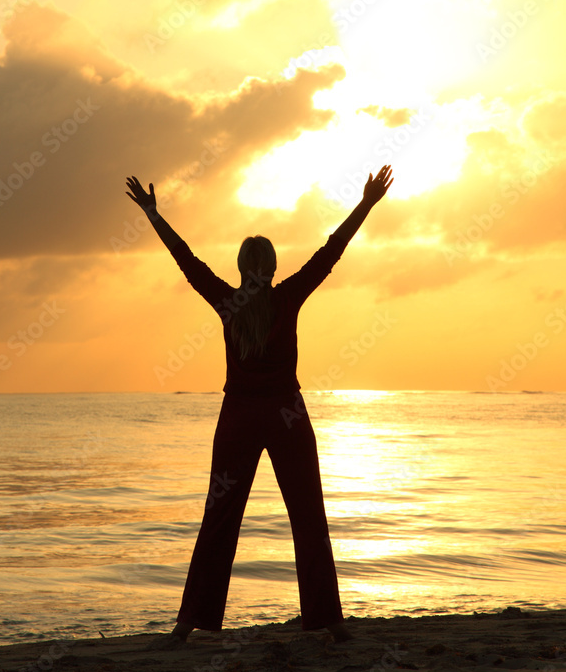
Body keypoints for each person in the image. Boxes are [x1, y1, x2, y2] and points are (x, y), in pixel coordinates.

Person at [125, 164, 393, 644]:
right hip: (287, 417)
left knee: (219, 518)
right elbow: (330, 251)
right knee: (308, 514)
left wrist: (153, 215)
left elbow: (186, 261)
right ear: (270, 268)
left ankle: (186, 627)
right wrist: (367, 203)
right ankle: (330, 622)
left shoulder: (227, 301)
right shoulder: (287, 297)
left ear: (241, 268)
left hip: (238, 421)